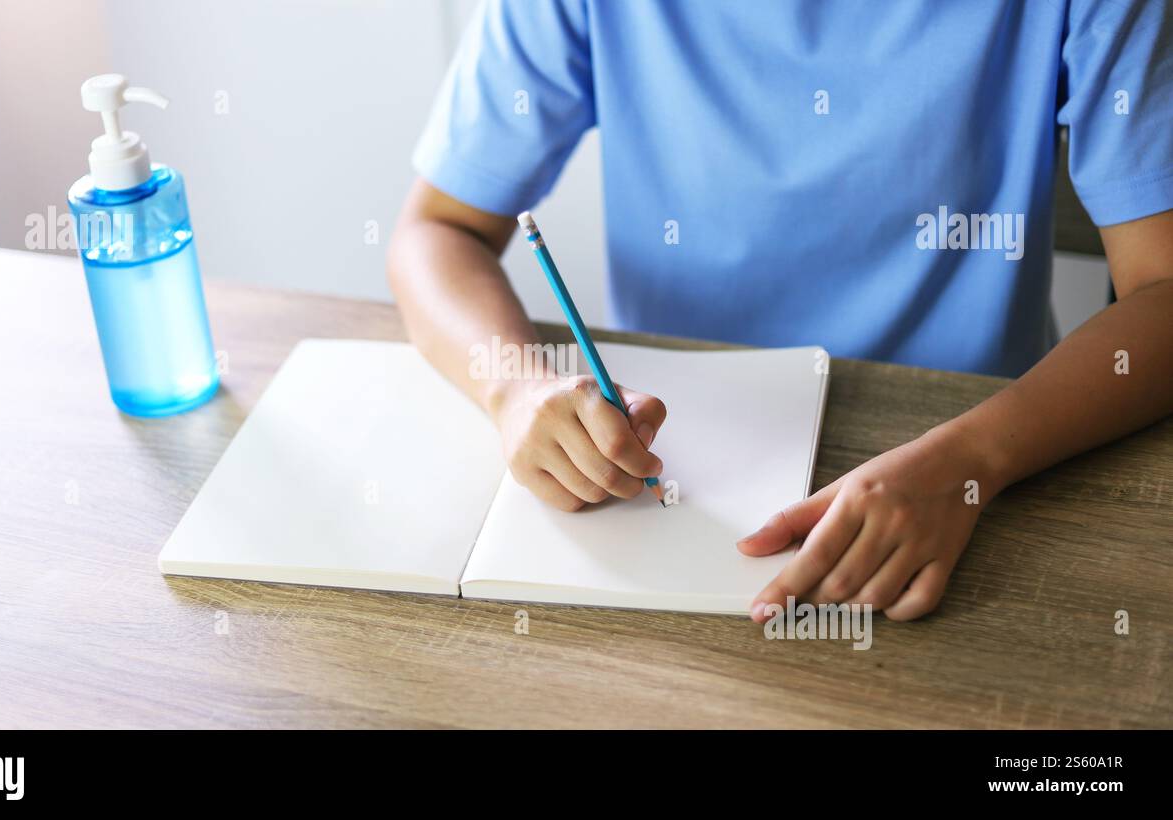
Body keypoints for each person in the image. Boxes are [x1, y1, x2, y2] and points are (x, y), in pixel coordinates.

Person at [386, 1, 1173, 621]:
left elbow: (1162, 293)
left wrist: (974, 462)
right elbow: (437, 231)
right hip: (672, 481)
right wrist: (516, 389)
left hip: (995, 462)